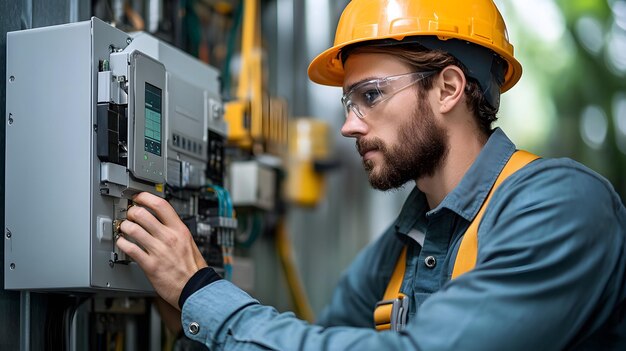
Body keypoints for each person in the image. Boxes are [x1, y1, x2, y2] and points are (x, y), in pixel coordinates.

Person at [116, 0, 626, 349]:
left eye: (371, 95)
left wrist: (204, 293)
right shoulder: (400, 248)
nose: (347, 125)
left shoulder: (564, 207)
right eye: (348, 100)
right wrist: (188, 314)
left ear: (449, 88)